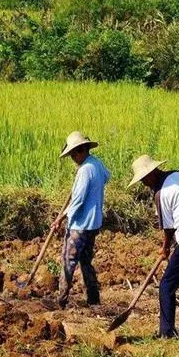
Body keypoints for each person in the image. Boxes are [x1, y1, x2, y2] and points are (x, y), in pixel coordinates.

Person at [128, 154, 179, 338]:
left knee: (166, 286)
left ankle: (167, 333)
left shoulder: (160, 194)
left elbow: (168, 228)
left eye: (145, 178)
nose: (144, 183)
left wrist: (165, 248)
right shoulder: (177, 175)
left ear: (153, 172)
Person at [50, 131, 110, 309]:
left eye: (73, 154)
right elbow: (107, 177)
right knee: (86, 261)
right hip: (94, 223)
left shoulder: (85, 170)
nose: (72, 158)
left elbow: (77, 201)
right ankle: (93, 299)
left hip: (80, 224)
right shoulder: (96, 164)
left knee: (68, 260)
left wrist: (60, 218)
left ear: (80, 150)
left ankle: (61, 300)